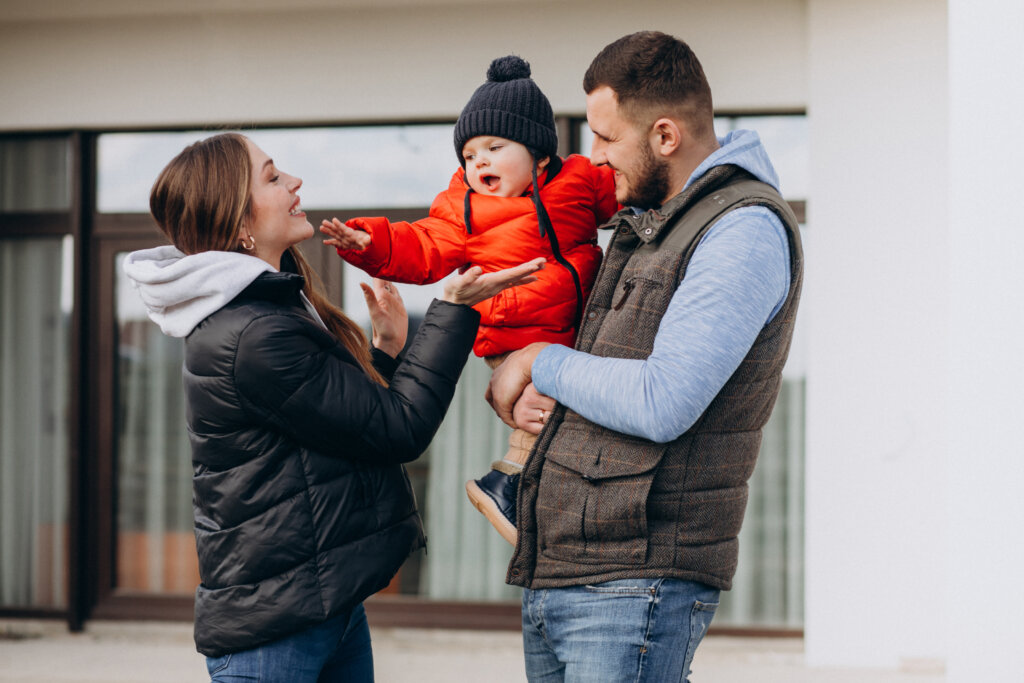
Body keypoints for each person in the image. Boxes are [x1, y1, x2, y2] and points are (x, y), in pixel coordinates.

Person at [122, 132, 544, 682]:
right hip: (276, 632)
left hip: (320, 608)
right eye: (273, 177)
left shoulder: (266, 310)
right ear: (238, 221)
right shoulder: (253, 334)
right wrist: (451, 308)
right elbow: (398, 430)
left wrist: (389, 354)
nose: (295, 182)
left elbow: (348, 428)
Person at [486, 31, 805, 682]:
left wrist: (540, 360)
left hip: (635, 584)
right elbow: (605, 379)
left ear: (665, 136)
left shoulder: (742, 228)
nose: (593, 157)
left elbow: (664, 400)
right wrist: (530, 387)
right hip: (570, 570)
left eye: (605, 138)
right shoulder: (647, 222)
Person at [320, 55, 618, 545]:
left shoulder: (579, 182)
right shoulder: (464, 209)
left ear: (540, 155)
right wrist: (371, 243)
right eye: (469, 154)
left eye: (494, 148)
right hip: (512, 334)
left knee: (572, 413)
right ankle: (506, 486)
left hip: (572, 332)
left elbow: (630, 188)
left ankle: (531, 493)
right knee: (541, 407)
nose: (477, 162)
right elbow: (423, 243)